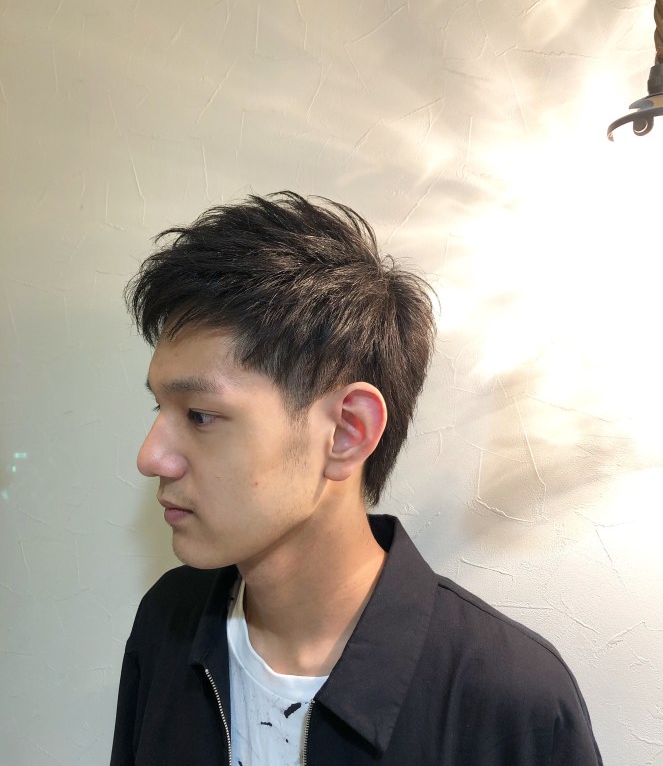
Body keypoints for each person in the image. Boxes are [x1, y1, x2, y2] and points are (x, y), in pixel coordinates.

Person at [111, 191, 603, 765]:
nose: (151, 457)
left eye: (200, 415)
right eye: (160, 409)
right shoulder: (168, 622)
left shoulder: (511, 701)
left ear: (347, 432)